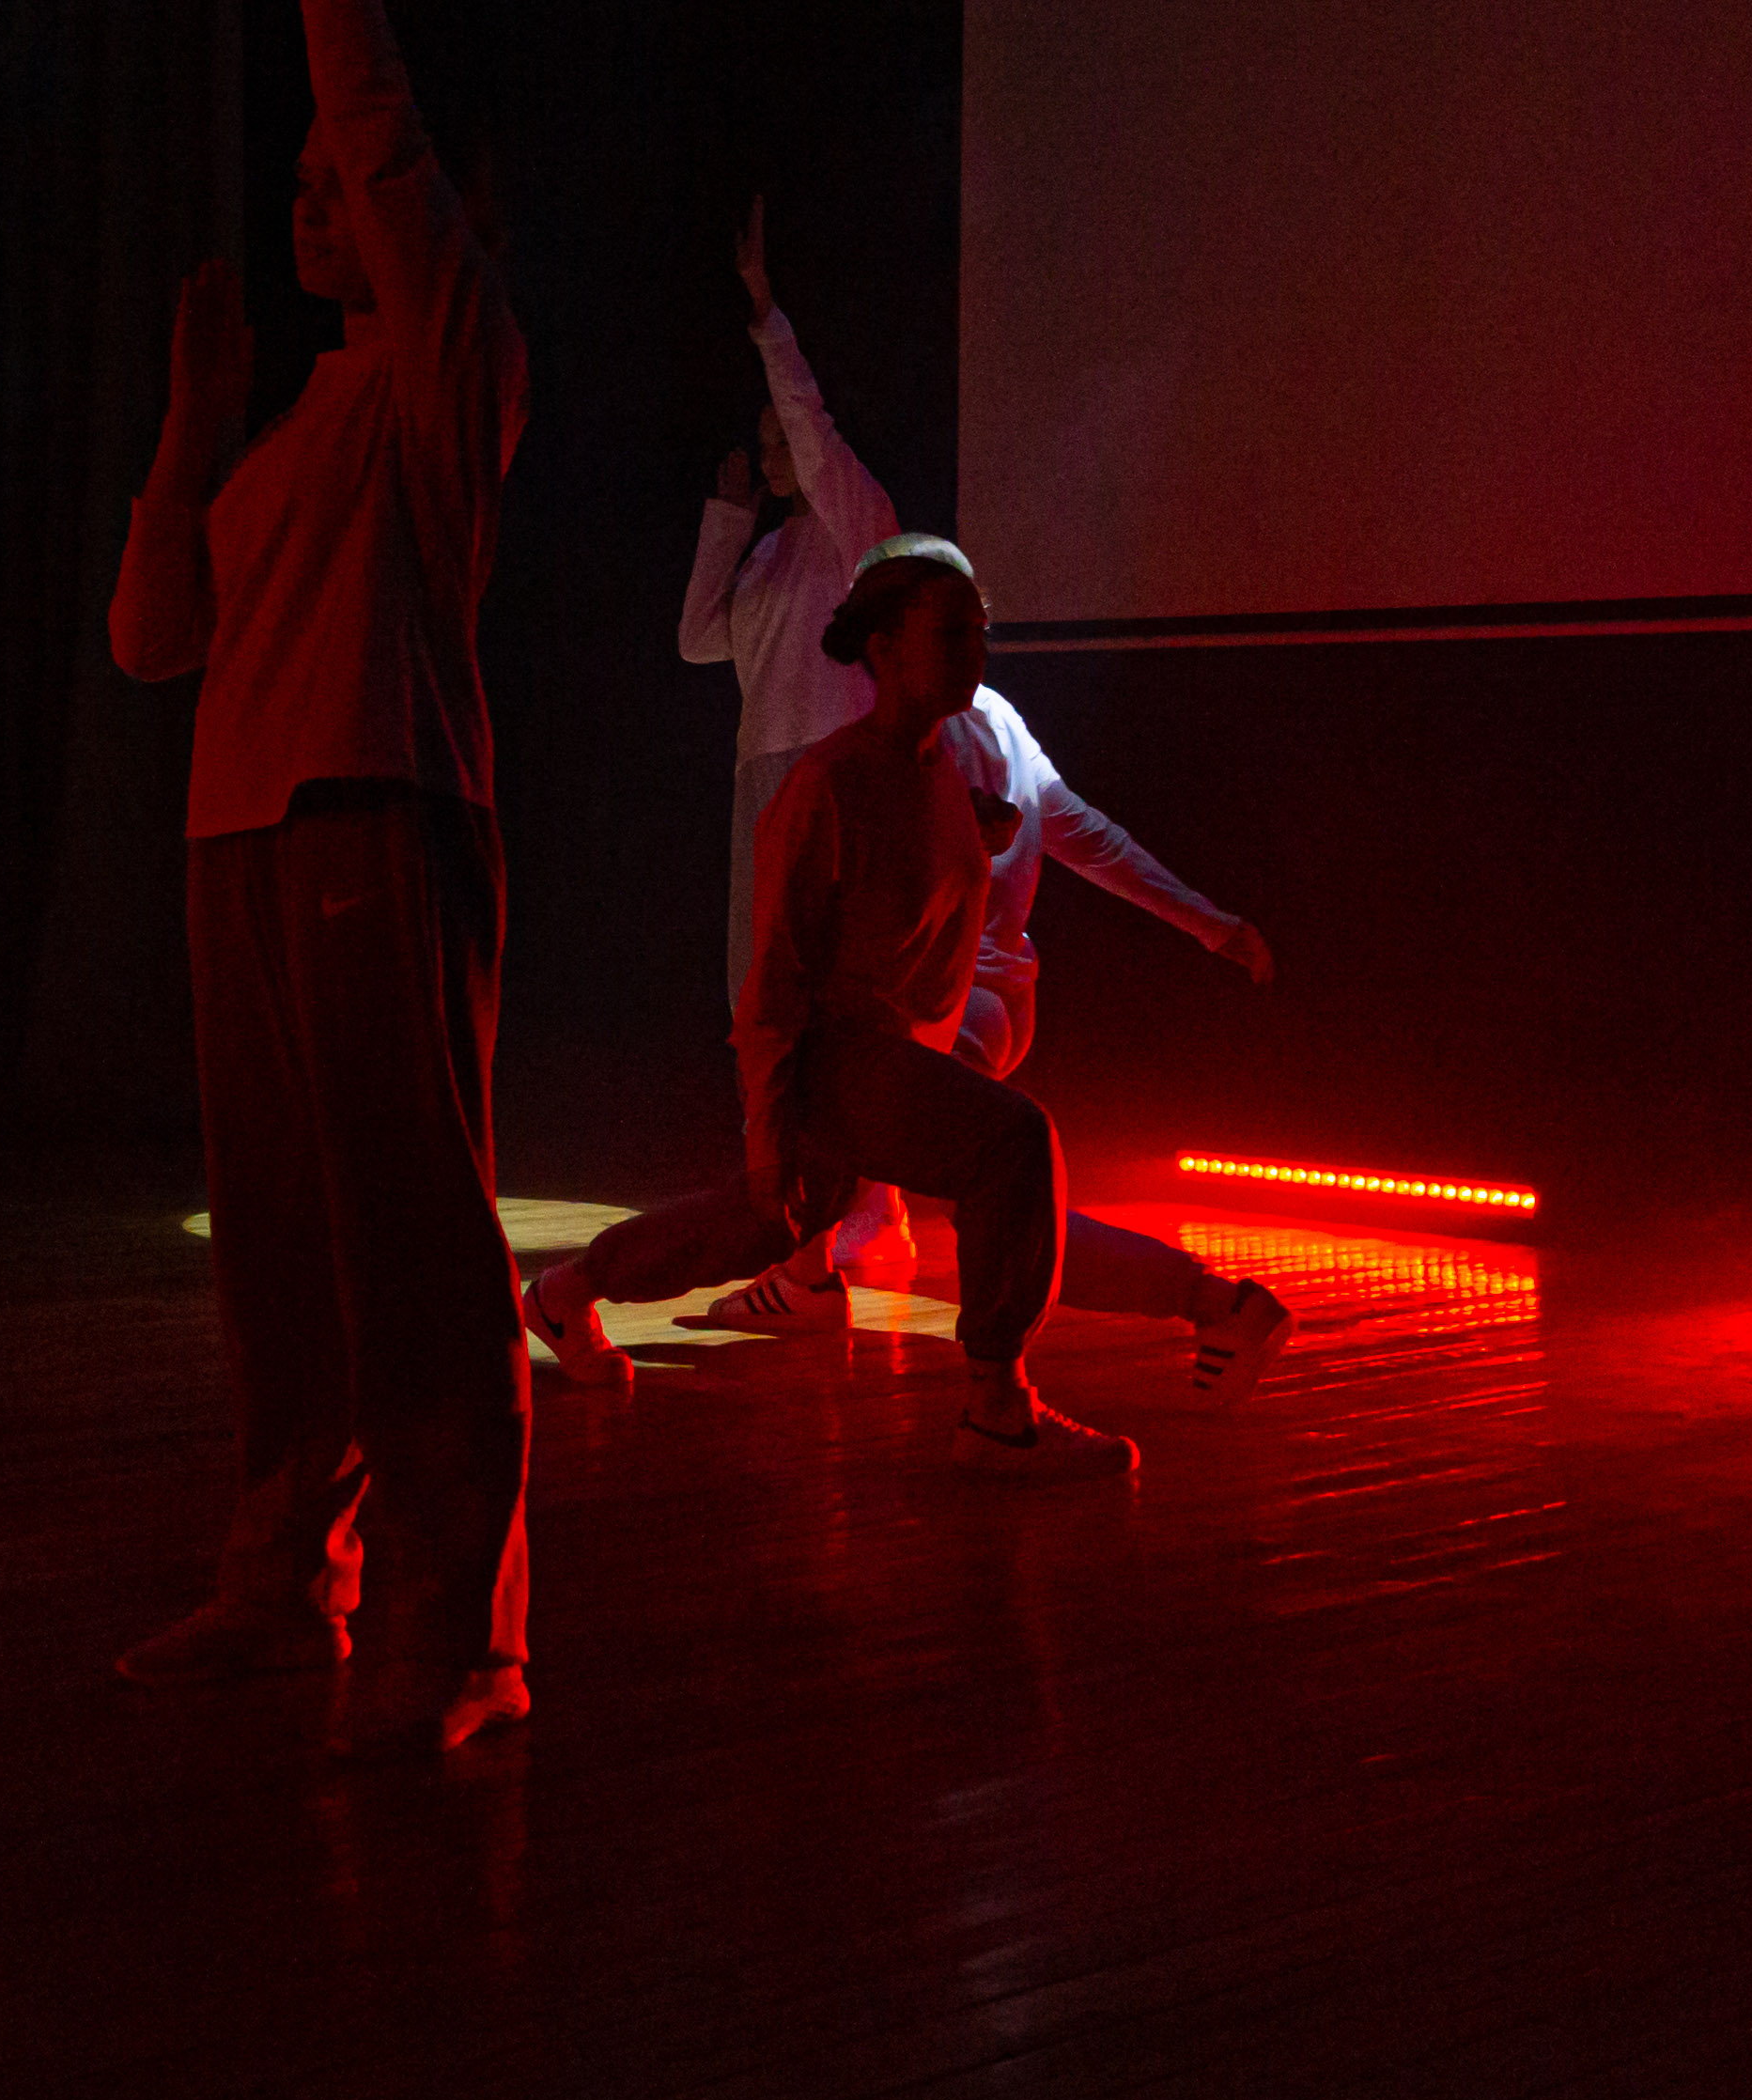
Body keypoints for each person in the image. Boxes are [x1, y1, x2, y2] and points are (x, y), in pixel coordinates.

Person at [105, 0, 538, 1758]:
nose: (312, 201)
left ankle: (464, 1625)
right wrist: (191, 420)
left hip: (376, 802)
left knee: (410, 1232)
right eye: (293, 192)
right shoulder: (288, 424)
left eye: (336, 187)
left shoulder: (446, 364)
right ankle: (286, 1570)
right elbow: (146, 638)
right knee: (278, 1237)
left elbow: (367, 104)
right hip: (239, 830)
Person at [521, 538, 1295, 1470]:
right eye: (951, 633)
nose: (975, 652)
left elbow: (1066, 840)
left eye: (980, 632)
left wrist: (1203, 921)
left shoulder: (945, 766)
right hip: (846, 1059)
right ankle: (999, 1404)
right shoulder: (831, 780)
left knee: (771, 1223)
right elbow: (776, 978)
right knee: (1010, 1152)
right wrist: (769, 1125)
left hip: (898, 1052)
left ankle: (566, 1294)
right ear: (884, 649)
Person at [708, 674, 1277, 1321]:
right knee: (857, 1142)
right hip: (994, 1004)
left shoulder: (904, 735)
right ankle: (845, 1248)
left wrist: (1213, 925)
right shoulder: (998, 718)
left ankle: (1215, 1304)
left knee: (1000, 1204)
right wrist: (1212, 925)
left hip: (943, 1009)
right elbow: (1090, 837)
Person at [674, 199, 916, 1299]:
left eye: (782, 438)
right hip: (761, 782)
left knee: (836, 1000)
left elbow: (813, 432)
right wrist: (725, 521)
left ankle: (860, 1208)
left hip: (830, 777)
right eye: (763, 436)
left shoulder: (858, 525)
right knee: (762, 999)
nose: (773, 448)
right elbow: (695, 638)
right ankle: (801, 1201)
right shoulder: (772, 552)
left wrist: (767, 316)